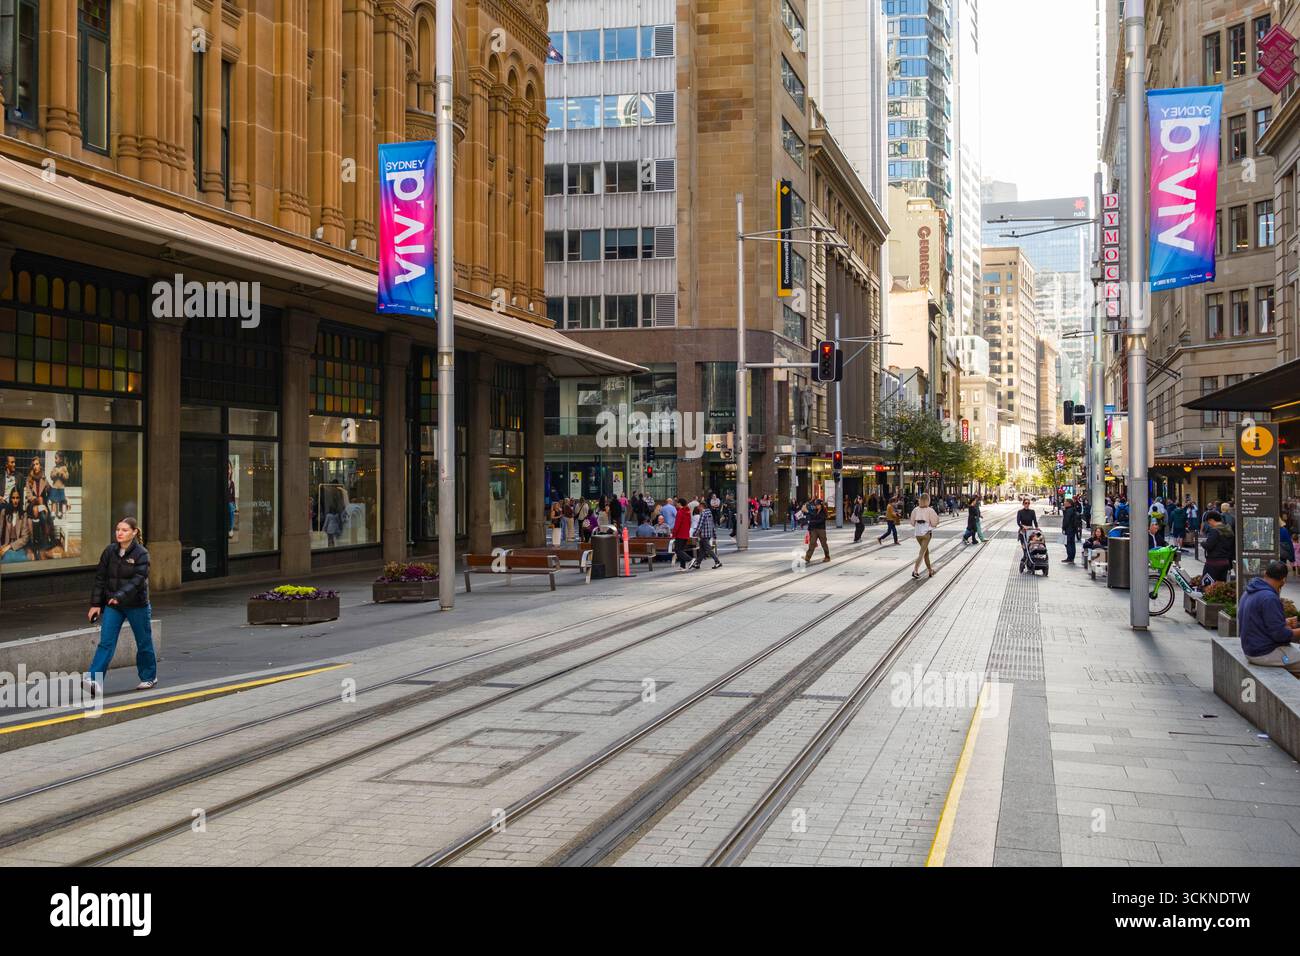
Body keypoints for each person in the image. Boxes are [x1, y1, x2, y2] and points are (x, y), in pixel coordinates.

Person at [83, 516, 156, 696]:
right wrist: (95, 604)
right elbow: (100, 579)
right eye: (117, 529)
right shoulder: (109, 552)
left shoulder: (142, 554)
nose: (119, 533)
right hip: (113, 606)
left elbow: (138, 580)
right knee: (106, 643)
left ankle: (149, 677)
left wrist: (119, 596)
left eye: (124, 530)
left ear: (134, 532)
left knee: (143, 642)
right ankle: (93, 680)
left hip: (136, 605)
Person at [1239, 560, 1300, 673]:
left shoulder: (1249, 591)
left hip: (1252, 649)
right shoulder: (1269, 598)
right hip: (1266, 653)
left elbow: (1257, 621)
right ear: (1283, 581)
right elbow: (1280, 635)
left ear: (1265, 573)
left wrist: (1284, 622)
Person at [910, 493, 940, 579]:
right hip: (926, 534)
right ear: (928, 500)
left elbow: (912, 523)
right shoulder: (930, 510)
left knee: (926, 553)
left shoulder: (915, 510)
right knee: (922, 553)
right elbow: (935, 522)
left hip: (918, 534)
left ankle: (930, 570)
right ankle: (915, 570)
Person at [1201, 511, 1234, 583]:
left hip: (1213, 563)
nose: (1209, 524)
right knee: (1221, 587)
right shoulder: (1228, 530)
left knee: (1208, 586)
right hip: (1225, 562)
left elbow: (1209, 545)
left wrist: (1202, 543)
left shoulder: (1214, 531)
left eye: (1208, 522)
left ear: (1212, 520)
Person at [691, 500, 722, 569]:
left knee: (708, 549)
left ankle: (718, 562)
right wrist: (714, 534)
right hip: (708, 534)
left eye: (699, 506)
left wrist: (694, 533)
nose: (698, 507)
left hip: (704, 534)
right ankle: (697, 563)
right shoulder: (709, 513)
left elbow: (700, 525)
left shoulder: (703, 513)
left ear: (702, 506)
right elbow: (712, 524)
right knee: (702, 550)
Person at [803, 498, 830, 563]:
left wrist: (811, 521)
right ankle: (807, 557)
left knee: (824, 544)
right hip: (814, 529)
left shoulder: (823, 511)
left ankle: (827, 557)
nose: (816, 506)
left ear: (821, 505)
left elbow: (820, 520)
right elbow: (811, 516)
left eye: (817, 505)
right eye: (816, 505)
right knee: (812, 543)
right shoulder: (815, 510)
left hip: (821, 530)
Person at [671, 496, 694, 570]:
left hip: (680, 534)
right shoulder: (687, 512)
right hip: (686, 534)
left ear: (680, 503)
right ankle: (682, 566)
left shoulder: (680, 512)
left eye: (677, 502)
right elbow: (690, 523)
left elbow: (677, 525)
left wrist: (674, 534)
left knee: (678, 550)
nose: (676, 504)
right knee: (681, 550)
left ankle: (690, 559)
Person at [1060, 497, 1081, 564]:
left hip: (1069, 529)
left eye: (1065, 502)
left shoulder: (1069, 511)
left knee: (1068, 543)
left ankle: (1070, 558)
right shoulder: (1072, 510)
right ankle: (1071, 557)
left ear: (1069, 503)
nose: (1064, 503)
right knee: (1072, 543)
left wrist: (1063, 528)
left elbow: (1066, 520)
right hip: (1073, 529)